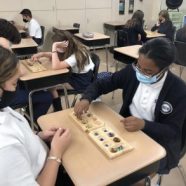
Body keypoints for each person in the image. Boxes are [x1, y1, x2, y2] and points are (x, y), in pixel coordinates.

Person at [74, 38, 186, 182]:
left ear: (164, 68)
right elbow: (102, 84)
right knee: (98, 157)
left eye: (148, 71)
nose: (140, 72)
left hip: (159, 141)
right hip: (128, 129)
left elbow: (173, 131)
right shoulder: (132, 71)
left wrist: (144, 124)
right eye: (139, 65)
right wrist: (86, 98)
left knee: (131, 177)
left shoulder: (179, 90)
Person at [0, 46, 71, 186]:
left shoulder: (3, 107)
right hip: (48, 171)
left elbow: (17, 133)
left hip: (42, 157)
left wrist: (38, 136)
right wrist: (56, 154)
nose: (15, 88)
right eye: (14, 83)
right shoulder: (5, 147)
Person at [0, 18, 52, 122]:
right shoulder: (3, 51)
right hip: (5, 96)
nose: (11, 47)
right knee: (46, 97)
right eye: (10, 44)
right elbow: (22, 71)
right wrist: (7, 50)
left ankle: (26, 122)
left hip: (7, 89)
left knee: (40, 89)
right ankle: (29, 123)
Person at [31, 31, 95, 111]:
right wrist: (42, 54)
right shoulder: (70, 48)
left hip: (81, 81)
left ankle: (58, 109)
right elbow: (56, 56)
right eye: (56, 46)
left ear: (66, 44)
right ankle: (57, 106)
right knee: (50, 82)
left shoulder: (76, 55)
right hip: (74, 75)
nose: (56, 49)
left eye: (58, 46)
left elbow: (56, 66)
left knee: (50, 85)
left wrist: (54, 46)